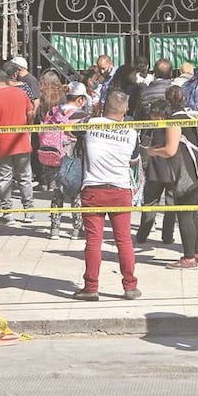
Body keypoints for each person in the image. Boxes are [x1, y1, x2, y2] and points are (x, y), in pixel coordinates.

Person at [72, 90, 141, 301]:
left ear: (104, 106)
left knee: (94, 241)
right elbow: (134, 160)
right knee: (124, 240)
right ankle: (130, 286)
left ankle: (91, 287)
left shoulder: (91, 124)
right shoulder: (131, 132)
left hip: (93, 189)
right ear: (126, 109)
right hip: (120, 190)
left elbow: (74, 129)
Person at [148, 88, 198, 270]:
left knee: (185, 214)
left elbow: (170, 150)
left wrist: (152, 151)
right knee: (194, 213)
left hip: (185, 175)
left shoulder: (173, 121)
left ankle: (188, 259)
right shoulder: (187, 116)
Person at [0, 67, 34, 225]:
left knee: (4, 178)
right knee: (25, 177)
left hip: (0, 143)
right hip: (21, 141)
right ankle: (29, 211)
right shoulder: (21, 93)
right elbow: (30, 113)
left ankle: (7, 213)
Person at [44, 81, 91, 240]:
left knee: (57, 194)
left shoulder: (53, 112)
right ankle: (77, 230)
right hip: (73, 157)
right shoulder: (81, 116)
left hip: (53, 157)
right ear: (80, 99)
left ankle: (54, 229)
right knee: (76, 194)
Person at [136, 90, 182, 245]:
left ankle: (143, 236)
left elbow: (149, 147)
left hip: (158, 169)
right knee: (169, 205)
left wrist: (150, 152)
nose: (151, 117)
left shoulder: (159, 127)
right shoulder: (171, 126)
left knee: (151, 203)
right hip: (168, 171)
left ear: (161, 115)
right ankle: (166, 236)